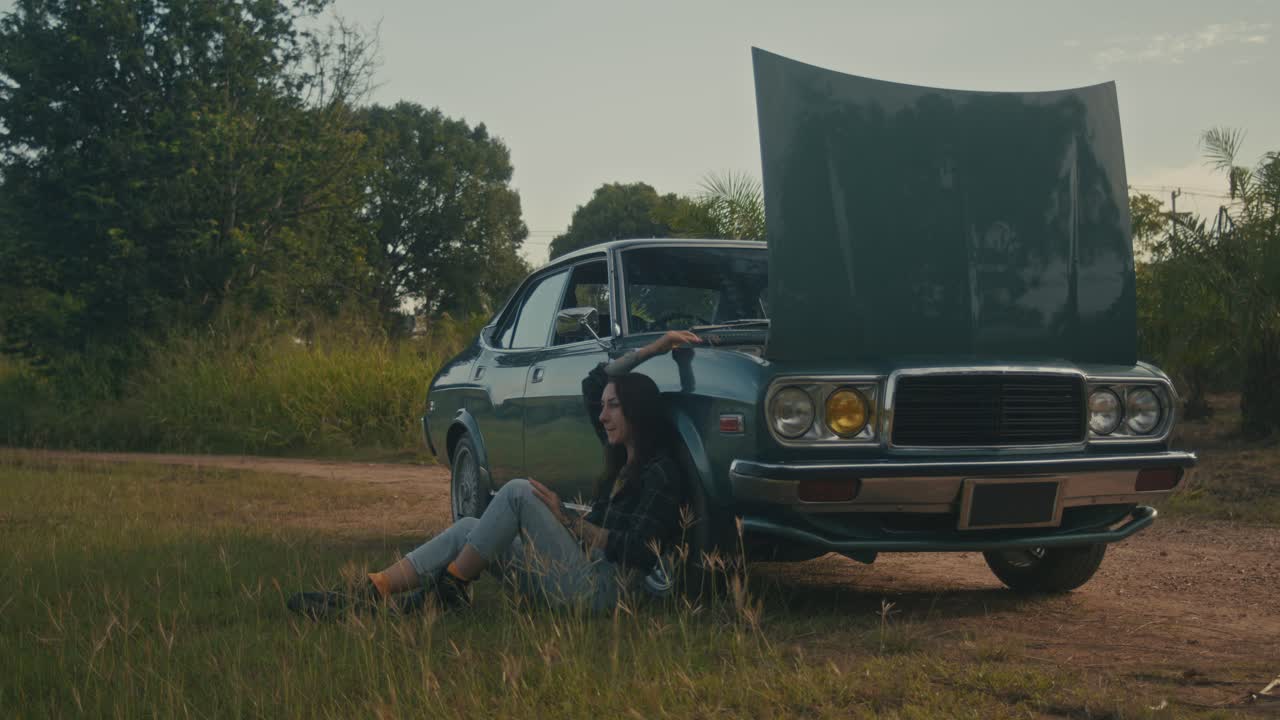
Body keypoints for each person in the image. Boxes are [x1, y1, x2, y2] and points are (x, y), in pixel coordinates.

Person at [287, 330, 703, 618]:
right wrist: (656, 347)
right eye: (604, 406)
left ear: (636, 411)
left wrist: (566, 520)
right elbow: (598, 380)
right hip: (577, 573)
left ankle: (448, 590)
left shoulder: (659, 473)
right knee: (470, 523)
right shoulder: (622, 458)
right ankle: (372, 590)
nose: (602, 413)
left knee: (520, 492)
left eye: (613, 406)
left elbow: (642, 552)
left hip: (600, 596)